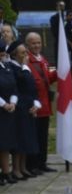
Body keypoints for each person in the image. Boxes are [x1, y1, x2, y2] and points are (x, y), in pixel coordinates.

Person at [7, 41, 40, 181]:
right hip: (19, 107)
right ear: (14, 55)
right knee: (20, 139)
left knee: (27, 138)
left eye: (26, 52)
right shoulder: (12, 69)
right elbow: (14, 89)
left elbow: (33, 88)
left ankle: (23, 167)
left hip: (29, 106)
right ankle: (16, 168)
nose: (25, 55)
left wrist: (35, 104)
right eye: (22, 53)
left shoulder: (25, 68)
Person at [25, 32, 57, 175]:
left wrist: (58, 73)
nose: (37, 45)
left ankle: (42, 162)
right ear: (28, 45)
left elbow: (46, 79)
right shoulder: (28, 61)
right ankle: (32, 165)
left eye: (38, 42)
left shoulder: (42, 60)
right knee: (34, 136)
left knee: (43, 136)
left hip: (45, 105)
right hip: (34, 105)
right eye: (33, 43)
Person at [0, 42, 17, 186]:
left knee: (5, 143)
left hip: (8, 110)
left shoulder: (6, 67)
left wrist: (12, 102)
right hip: (1, 108)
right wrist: (3, 104)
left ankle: (6, 172)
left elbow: (14, 87)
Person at [50, 3, 72, 81]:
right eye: (60, 6)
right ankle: (60, 77)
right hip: (62, 45)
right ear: (57, 7)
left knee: (71, 62)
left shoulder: (70, 24)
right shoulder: (55, 18)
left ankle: (71, 77)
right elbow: (61, 34)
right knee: (61, 61)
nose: (62, 8)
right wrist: (70, 43)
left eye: (63, 6)